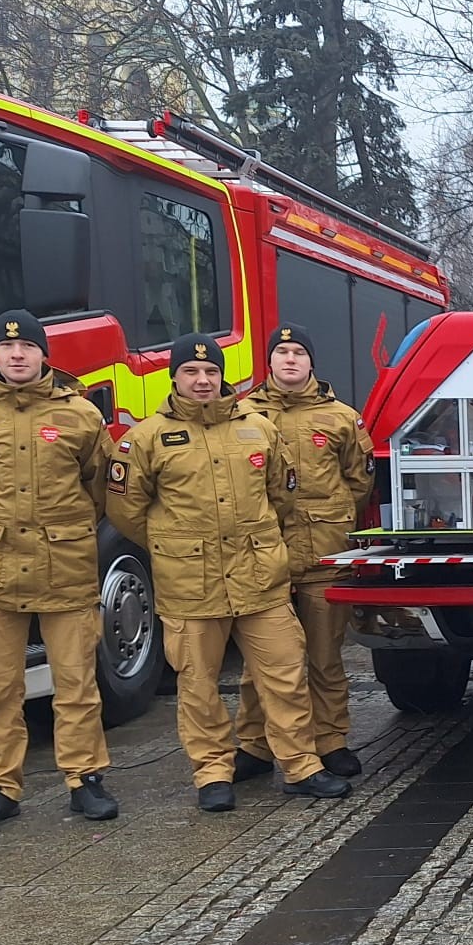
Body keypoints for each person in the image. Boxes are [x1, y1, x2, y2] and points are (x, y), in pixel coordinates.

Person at [106, 334, 352, 811]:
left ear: (223, 377)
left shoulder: (257, 428)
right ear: (174, 377)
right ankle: (213, 772)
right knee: (198, 682)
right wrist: (173, 545)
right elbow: (125, 510)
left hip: (259, 577)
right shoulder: (147, 437)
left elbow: (282, 493)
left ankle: (302, 765)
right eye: (192, 373)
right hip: (191, 584)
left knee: (284, 673)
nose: (203, 381)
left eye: (211, 373)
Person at [0, 311, 118, 833]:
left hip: (65, 568)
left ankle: (86, 780)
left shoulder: (82, 415)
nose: (17, 355)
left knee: (77, 682)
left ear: (44, 354)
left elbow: (98, 487)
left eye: (28, 347)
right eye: (7, 348)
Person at [233, 325, 377, 780]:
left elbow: (359, 482)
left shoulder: (340, 418)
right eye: (281, 352)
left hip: (322, 557)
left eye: (298, 352)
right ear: (268, 362)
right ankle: (256, 745)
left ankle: (330, 739)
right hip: (261, 557)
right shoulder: (240, 416)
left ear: (311, 362)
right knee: (263, 661)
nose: (290, 360)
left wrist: (331, 520)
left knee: (324, 656)